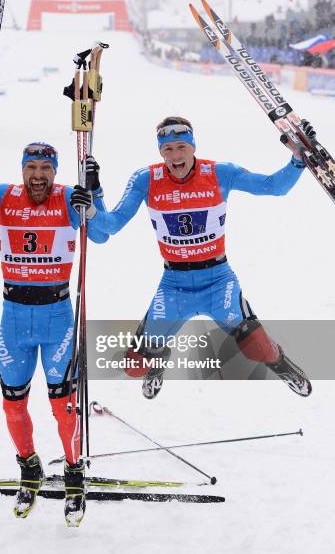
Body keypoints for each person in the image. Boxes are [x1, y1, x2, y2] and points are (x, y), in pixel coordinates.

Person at [75, 116, 313, 400]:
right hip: (174, 285)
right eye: (167, 150)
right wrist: (94, 195)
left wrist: (298, 160)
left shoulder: (220, 172)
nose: (175, 156)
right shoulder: (146, 179)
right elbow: (110, 225)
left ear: (192, 146)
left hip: (217, 280)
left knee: (257, 348)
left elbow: (274, 186)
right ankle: (157, 361)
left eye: (180, 147)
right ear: (161, 152)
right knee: (134, 367)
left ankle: (282, 365)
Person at [0, 137, 107, 526]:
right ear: (23, 170)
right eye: (32, 169)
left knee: (63, 406)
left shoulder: (70, 198)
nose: (38, 177)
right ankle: (30, 468)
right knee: (12, 403)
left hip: (57, 319)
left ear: (55, 171)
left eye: (46, 170)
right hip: (14, 319)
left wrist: (95, 195)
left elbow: (101, 234)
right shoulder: (3, 196)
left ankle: (73, 476)